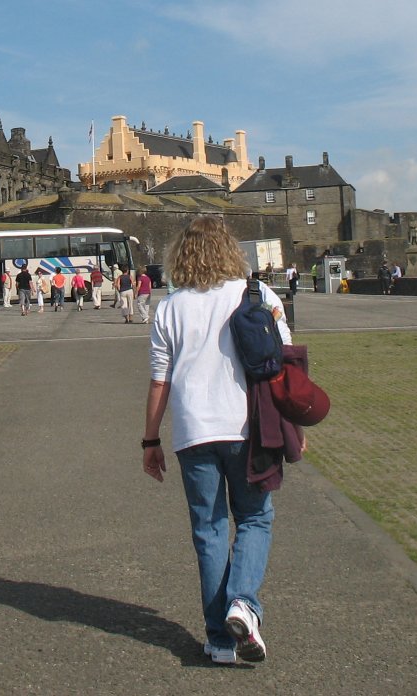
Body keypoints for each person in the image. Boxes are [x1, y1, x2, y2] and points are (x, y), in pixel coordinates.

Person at [143, 216, 291, 665]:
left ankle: (220, 642)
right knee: (254, 518)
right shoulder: (258, 295)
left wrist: (150, 441)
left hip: (193, 432)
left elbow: (160, 380)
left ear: (181, 255)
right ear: (230, 250)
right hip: (248, 428)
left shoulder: (170, 307)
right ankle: (243, 603)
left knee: (209, 531)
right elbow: (284, 361)